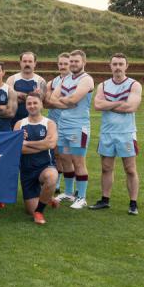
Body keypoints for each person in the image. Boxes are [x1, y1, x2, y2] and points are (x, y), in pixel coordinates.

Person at [89, 53, 143, 215]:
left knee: (130, 169)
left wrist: (108, 104)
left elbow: (131, 107)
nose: (118, 67)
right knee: (106, 168)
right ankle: (105, 200)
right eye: (115, 64)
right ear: (110, 66)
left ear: (127, 66)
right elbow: (97, 105)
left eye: (121, 64)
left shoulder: (134, 85)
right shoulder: (103, 85)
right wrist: (120, 102)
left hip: (126, 133)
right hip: (107, 132)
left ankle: (133, 203)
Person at [50, 50, 94, 209]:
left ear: (84, 62)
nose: (73, 64)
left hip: (78, 126)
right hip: (63, 125)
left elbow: (75, 99)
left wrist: (64, 100)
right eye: (71, 61)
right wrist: (66, 102)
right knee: (64, 159)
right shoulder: (66, 79)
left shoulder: (87, 79)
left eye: (76, 61)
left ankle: (81, 197)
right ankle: (68, 193)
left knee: (78, 161)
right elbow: (52, 99)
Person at [14, 93, 60, 225]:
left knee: (52, 177)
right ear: (26, 106)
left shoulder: (49, 123)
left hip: (44, 166)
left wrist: (27, 143)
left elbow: (51, 144)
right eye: (29, 103)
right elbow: (16, 149)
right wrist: (42, 144)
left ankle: (39, 212)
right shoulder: (19, 124)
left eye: (35, 103)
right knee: (30, 210)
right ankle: (48, 197)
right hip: (27, 170)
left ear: (41, 105)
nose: (32, 106)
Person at [44, 52, 70, 193]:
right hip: (54, 122)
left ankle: (73, 188)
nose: (63, 66)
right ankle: (58, 185)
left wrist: (55, 101)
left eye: (66, 64)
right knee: (56, 154)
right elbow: (47, 103)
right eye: (60, 63)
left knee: (70, 157)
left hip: (70, 123)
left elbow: (75, 102)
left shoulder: (76, 82)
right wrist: (65, 102)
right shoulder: (52, 82)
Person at [6, 51, 46, 127]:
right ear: (20, 63)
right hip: (13, 121)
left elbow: (40, 101)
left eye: (30, 61)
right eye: (24, 61)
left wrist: (18, 95)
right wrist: (32, 96)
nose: (27, 64)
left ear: (35, 63)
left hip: (35, 123)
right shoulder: (11, 79)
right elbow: (10, 98)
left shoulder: (41, 81)